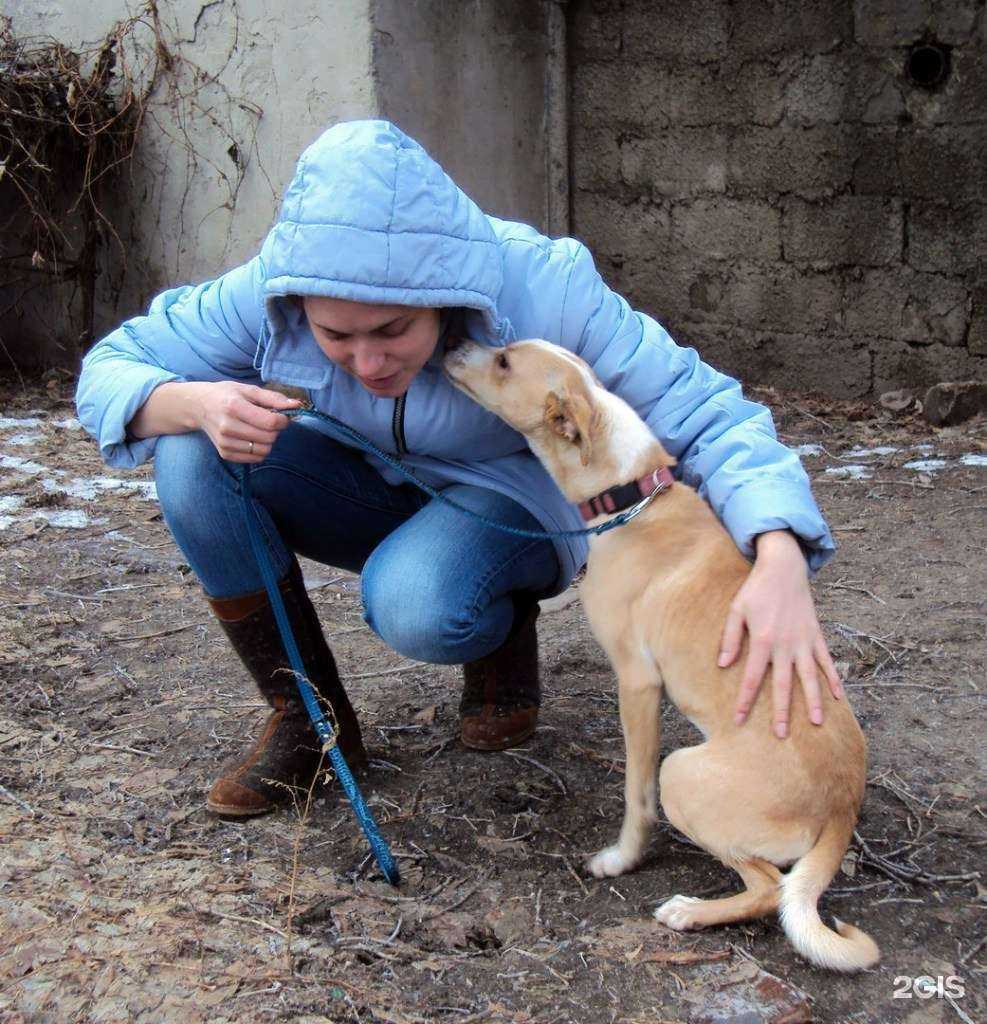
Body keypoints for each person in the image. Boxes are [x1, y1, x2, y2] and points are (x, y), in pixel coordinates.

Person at [76, 120, 843, 818]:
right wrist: (189, 402)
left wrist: (777, 552)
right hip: (367, 476)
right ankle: (309, 724)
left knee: (420, 607)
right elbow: (112, 366)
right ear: (297, 298)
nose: (367, 362)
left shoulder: (544, 283)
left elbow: (705, 410)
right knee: (188, 458)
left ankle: (498, 621)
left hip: (508, 496)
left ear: (442, 295)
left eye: (393, 330)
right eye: (335, 336)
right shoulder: (270, 288)